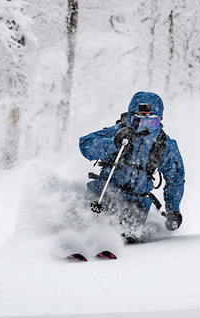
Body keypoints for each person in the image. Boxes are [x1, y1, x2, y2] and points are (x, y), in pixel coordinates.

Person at [79, 91, 184, 241]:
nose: (144, 128)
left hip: (136, 201)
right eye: (137, 122)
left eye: (151, 123)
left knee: (127, 231)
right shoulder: (119, 132)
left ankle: (113, 243)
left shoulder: (164, 145)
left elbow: (175, 178)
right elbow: (85, 145)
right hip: (104, 191)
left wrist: (173, 210)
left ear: (159, 121)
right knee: (87, 218)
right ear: (130, 118)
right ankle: (79, 236)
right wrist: (113, 143)